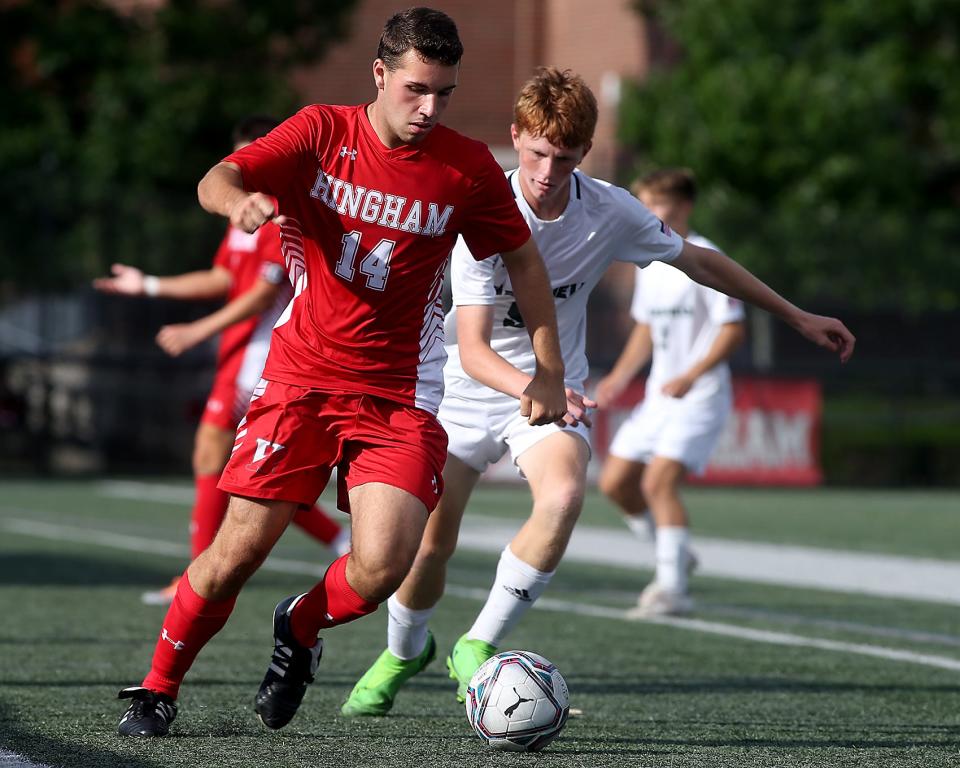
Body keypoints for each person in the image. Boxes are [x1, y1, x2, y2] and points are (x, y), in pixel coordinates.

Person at [341, 67, 855, 716]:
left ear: (584, 153)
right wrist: (539, 383)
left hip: (555, 394)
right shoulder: (480, 208)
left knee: (562, 496)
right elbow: (470, 348)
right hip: (469, 390)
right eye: (534, 153)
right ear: (514, 137)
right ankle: (403, 650)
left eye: (562, 158)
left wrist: (796, 314)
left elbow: (698, 260)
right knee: (428, 546)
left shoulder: (609, 210)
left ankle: (477, 643)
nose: (546, 172)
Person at [115, 7, 568, 738]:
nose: (430, 108)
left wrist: (548, 369)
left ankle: (298, 625)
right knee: (234, 555)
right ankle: (158, 687)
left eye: (444, 94)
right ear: (380, 73)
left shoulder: (466, 169)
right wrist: (241, 203)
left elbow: (522, 260)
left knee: (383, 565)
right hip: (300, 381)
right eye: (417, 89)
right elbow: (218, 177)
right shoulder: (319, 131)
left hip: (400, 392)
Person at [94, 116, 350, 607]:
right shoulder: (243, 212)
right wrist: (148, 285)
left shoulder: (281, 209)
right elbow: (221, 279)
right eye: (244, 156)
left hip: (267, 353)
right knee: (253, 467)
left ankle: (194, 577)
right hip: (239, 353)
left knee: (218, 451)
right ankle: (337, 543)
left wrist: (197, 330)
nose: (253, 166)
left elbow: (259, 297)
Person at [595, 168, 745, 617]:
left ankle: (672, 589)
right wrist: (620, 377)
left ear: (684, 206)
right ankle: (672, 549)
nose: (649, 212)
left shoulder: (707, 257)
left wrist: (692, 373)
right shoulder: (651, 261)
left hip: (700, 396)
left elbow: (733, 330)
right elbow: (646, 328)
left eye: (657, 202)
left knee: (657, 482)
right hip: (660, 397)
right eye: (645, 202)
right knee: (615, 483)